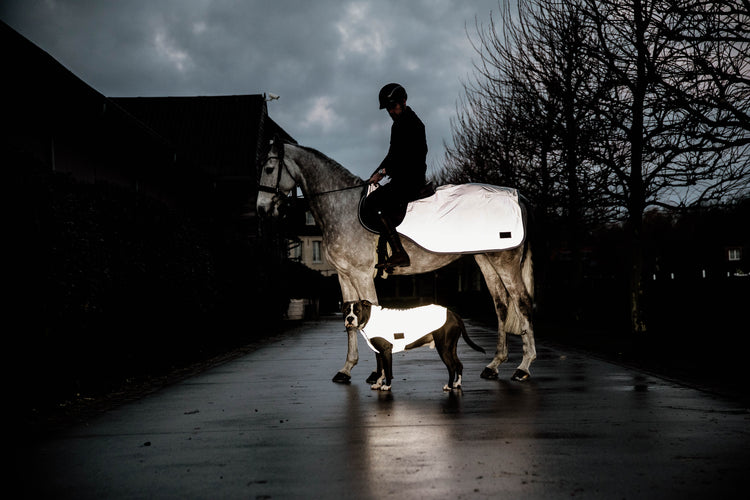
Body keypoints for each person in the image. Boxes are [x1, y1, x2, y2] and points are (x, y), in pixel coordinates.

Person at [366, 83, 429, 270]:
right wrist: (375, 173)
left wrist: (383, 172)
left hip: (411, 179)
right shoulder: (399, 124)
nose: (391, 111)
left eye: (393, 107)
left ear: (403, 101)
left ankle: (399, 252)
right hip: (402, 178)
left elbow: (406, 157)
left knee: (374, 203)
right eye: (388, 109)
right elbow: (391, 155)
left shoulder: (412, 124)